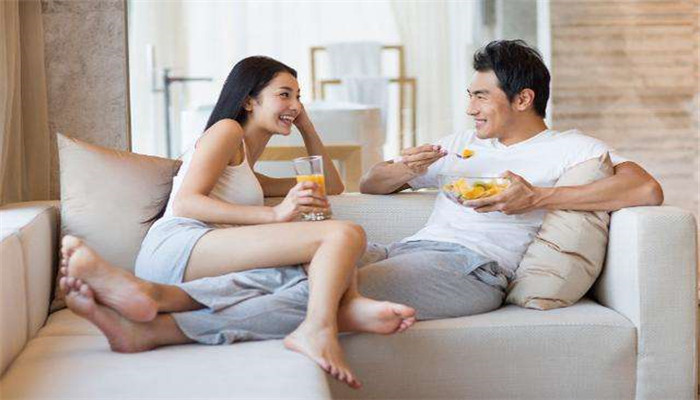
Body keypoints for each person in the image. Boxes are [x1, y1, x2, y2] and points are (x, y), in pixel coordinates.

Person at [58, 56, 417, 389]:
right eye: (284, 94)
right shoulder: (227, 130)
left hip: (200, 259)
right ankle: (319, 328)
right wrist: (274, 214)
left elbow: (332, 186)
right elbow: (186, 202)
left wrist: (305, 124)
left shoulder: (249, 172)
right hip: (180, 244)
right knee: (343, 235)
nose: (294, 105)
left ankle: (148, 303)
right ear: (248, 101)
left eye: (298, 97)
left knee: (312, 275)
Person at [355, 39, 663, 317]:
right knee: (326, 258)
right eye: (470, 96)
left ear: (523, 99)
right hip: (404, 249)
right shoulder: (459, 144)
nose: (470, 109)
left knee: (335, 286)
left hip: (471, 267)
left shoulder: (572, 147)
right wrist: (409, 169)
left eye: (481, 97)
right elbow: (370, 183)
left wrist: (537, 197)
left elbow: (646, 188)